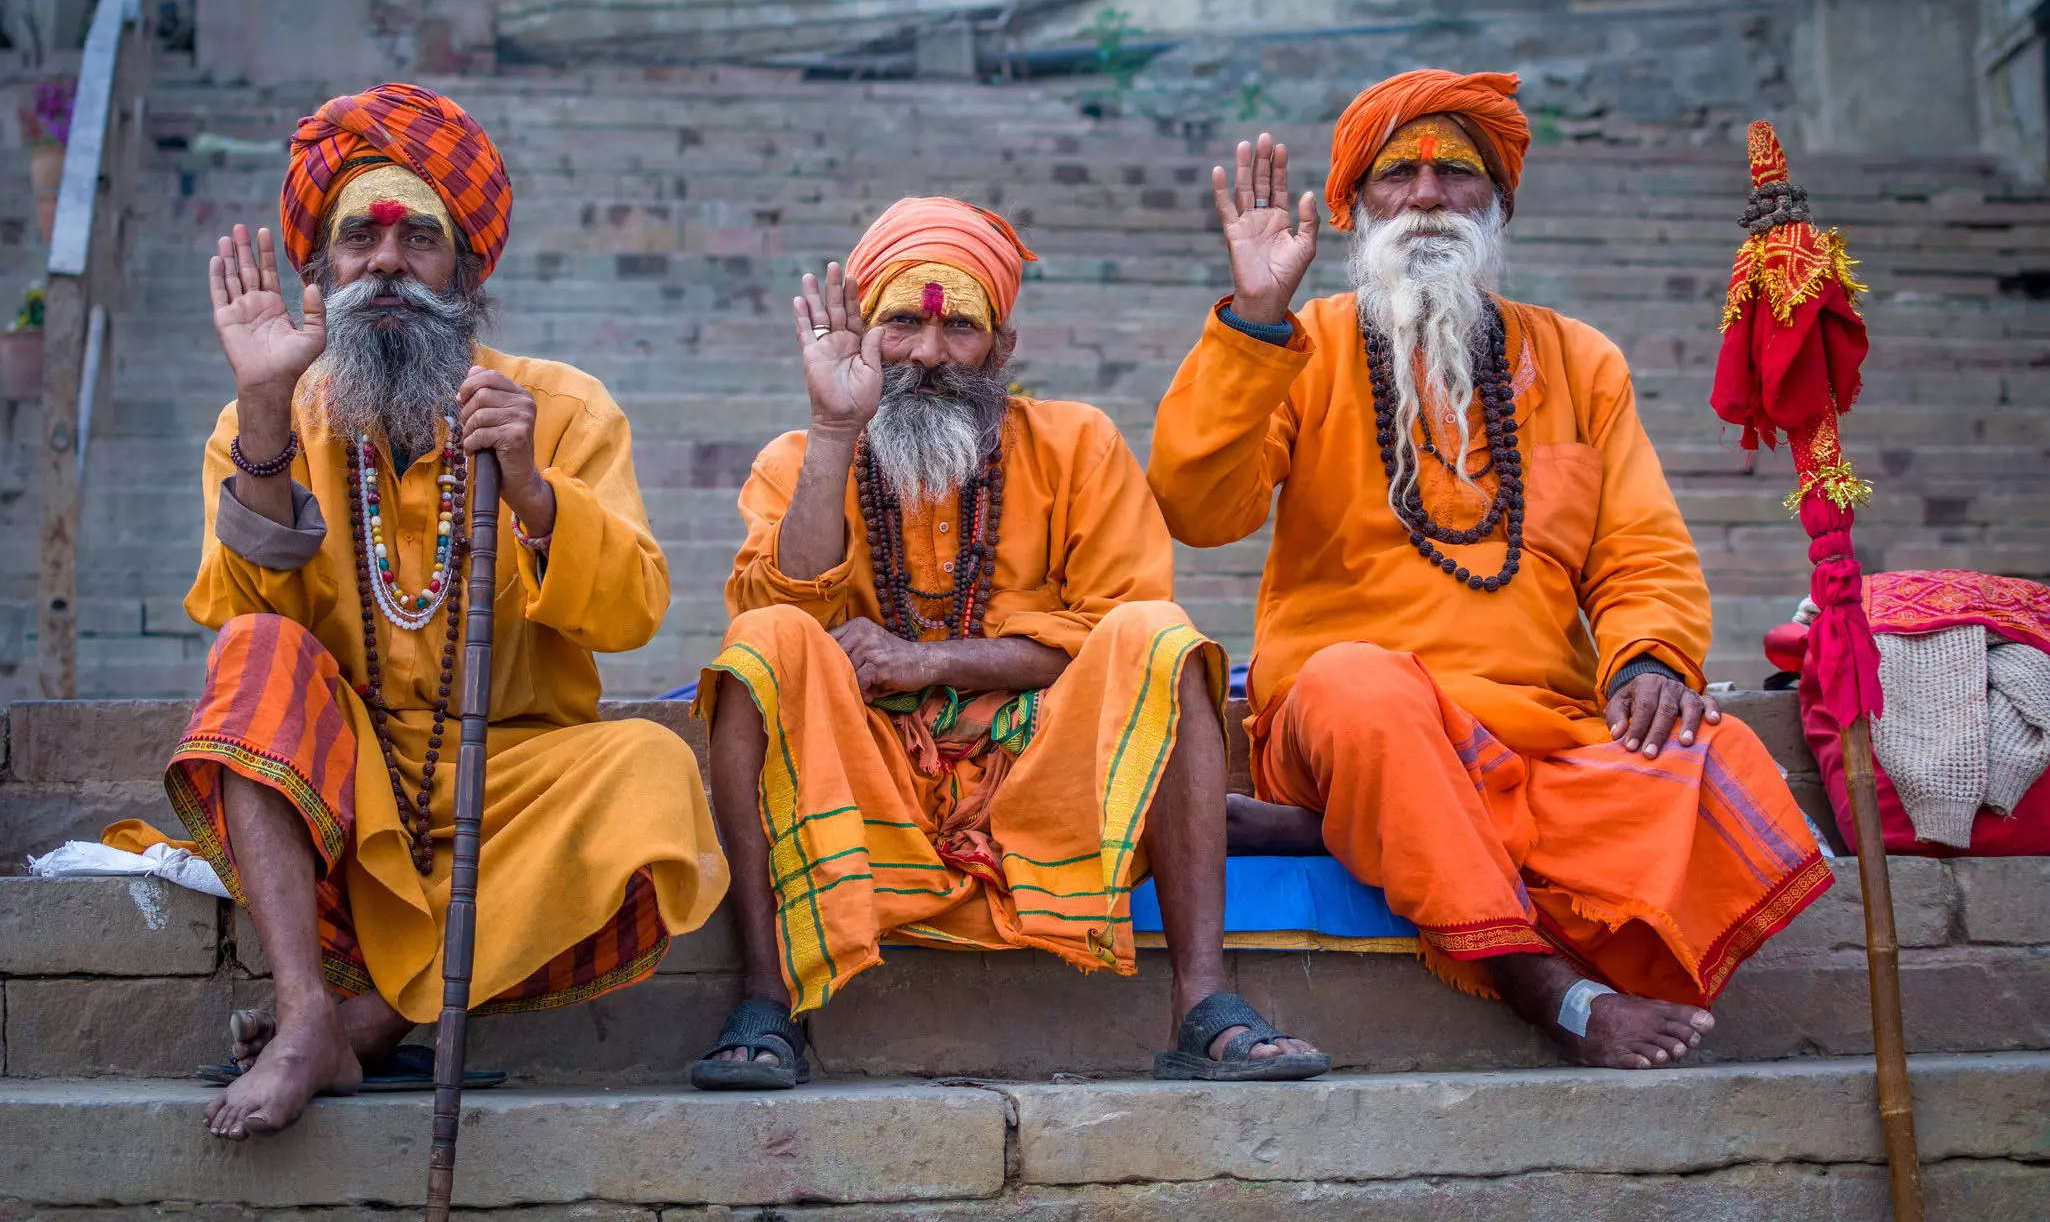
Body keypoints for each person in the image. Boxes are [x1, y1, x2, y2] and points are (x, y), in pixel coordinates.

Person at [1147, 70, 1832, 1070]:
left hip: (1534, 732)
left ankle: (1351, 831)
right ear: (1356, 206)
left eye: (1456, 176)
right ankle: (1549, 990)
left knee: (1707, 756)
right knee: (1361, 687)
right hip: (1351, 715)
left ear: (1498, 203)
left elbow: (1641, 550)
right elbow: (1197, 508)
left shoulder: (1580, 360)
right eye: (1398, 177)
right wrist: (1253, 319)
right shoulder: (1301, 348)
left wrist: (1647, 659)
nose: (1426, 195)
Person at [167, 83, 727, 1139]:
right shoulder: (267, 416)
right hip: (342, 777)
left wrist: (530, 486)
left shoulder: (561, 406)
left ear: (466, 270)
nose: (384, 261)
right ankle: (302, 1017)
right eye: (358, 239)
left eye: (417, 238)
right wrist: (261, 412)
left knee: (653, 775)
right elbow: (242, 624)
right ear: (321, 272)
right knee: (254, 653)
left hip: (508, 778)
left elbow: (635, 611)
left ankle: (365, 1024)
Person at [693, 196, 1326, 1088]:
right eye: (901, 323)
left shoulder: (1077, 446)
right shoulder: (800, 459)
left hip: (1048, 775)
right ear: (864, 337)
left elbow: (1118, 621)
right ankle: (768, 997)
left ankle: (1201, 1002)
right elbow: (781, 608)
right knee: (759, 644)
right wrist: (836, 430)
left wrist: (932, 661)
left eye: (959, 329)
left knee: (1164, 635)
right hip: (875, 772)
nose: (926, 353)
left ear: (1003, 348)